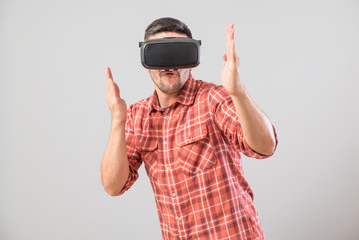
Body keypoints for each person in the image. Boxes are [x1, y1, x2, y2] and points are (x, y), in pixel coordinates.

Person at [101, 17, 278, 240]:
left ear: (193, 59)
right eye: (159, 54)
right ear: (146, 64)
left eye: (177, 52)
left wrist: (238, 92)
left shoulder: (214, 99)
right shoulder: (137, 116)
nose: (169, 63)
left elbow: (265, 147)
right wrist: (117, 121)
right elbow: (113, 186)